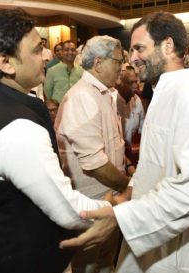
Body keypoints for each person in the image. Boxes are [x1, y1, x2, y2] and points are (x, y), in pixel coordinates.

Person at [60, 11, 189, 273]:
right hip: (147, 223)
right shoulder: (163, 91)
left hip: (173, 242)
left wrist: (121, 218)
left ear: (168, 46)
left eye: (139, 48)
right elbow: (152, 162)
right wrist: (128, 193)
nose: (132, 58)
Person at [0, 8, 114, 273]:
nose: (46, 55)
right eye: (36, 49)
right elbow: (68, 209)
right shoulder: (16, 129)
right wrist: (116, 211)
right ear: (5, 62)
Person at [55, 35, 131, 273]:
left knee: (105, 262)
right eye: (118, 61)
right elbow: (95, 165)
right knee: (86, 265)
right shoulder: (82, 97)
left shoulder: (105, 93)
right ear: (98, 64)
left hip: (108, 197)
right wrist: (130, 186)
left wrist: (125, 163)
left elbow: (111, 143)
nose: (122, 66)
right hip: (91, 202)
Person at [115, 65, 145, 146]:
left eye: (136, 81)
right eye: (130, 83)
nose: (135, 86)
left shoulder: (137, 100)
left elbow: (142, 127)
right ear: (120, 82)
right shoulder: (111, 101)